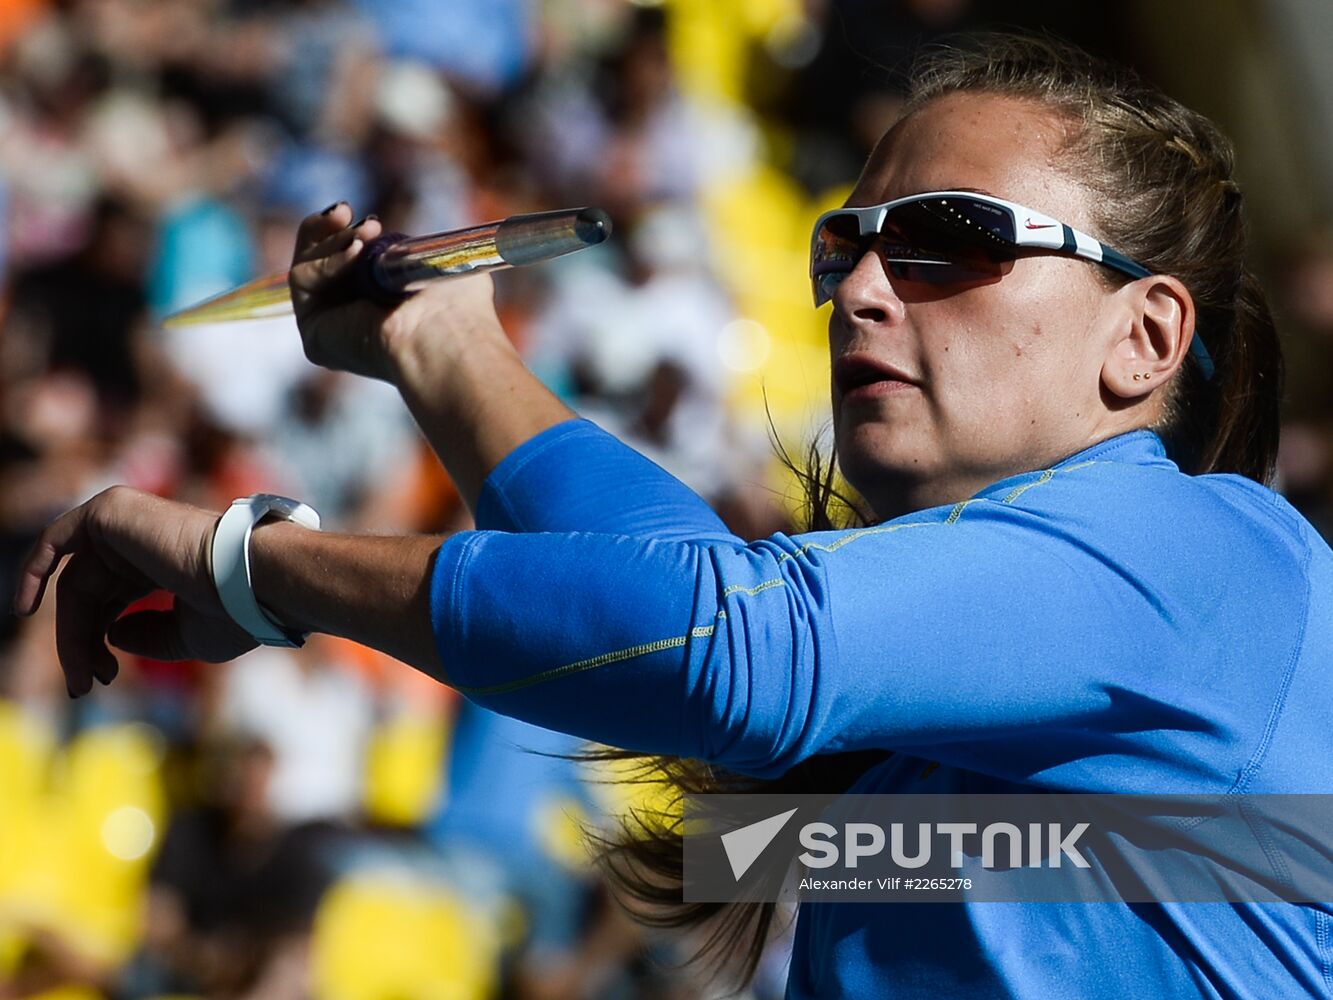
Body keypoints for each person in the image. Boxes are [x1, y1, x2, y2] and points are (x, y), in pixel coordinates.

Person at [13, 33, 1333, 998]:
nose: (864, 289)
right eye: (845, 247)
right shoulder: (1011, 728)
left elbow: (720, 649)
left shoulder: (1212, 556)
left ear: (1144, 335)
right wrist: (443, 348)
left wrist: (256, 563)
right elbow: (701, 606)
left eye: (943, 238)